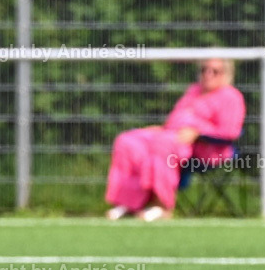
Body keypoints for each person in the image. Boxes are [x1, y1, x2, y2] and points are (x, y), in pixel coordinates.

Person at [105, 58, 245, 221]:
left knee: (163, 144)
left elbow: (230, 132)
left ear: (226, 74)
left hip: (204, 148)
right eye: (204, 70)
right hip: (171, 133)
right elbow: (176, 117)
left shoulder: (231, 97)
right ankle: (129, 202)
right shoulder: (194, 90)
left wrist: (197, 134)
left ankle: (161, 205)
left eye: (215, 71)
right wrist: (162, 128)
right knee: (128, 141)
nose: (208, 74)